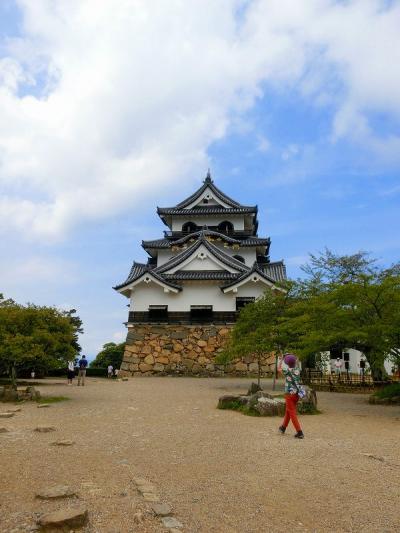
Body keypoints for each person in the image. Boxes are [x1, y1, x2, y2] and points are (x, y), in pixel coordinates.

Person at [278, 353, 305, 439]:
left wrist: (281, 360)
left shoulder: (287, 371)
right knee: (288, 411)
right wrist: (292, 357)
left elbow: (279, 369)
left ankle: (299, 432)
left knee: (292, 412)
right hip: (296, 394)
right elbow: (296, 361)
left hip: (289, 394)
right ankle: (283, 427)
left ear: (287, 363)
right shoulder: (297, 370)